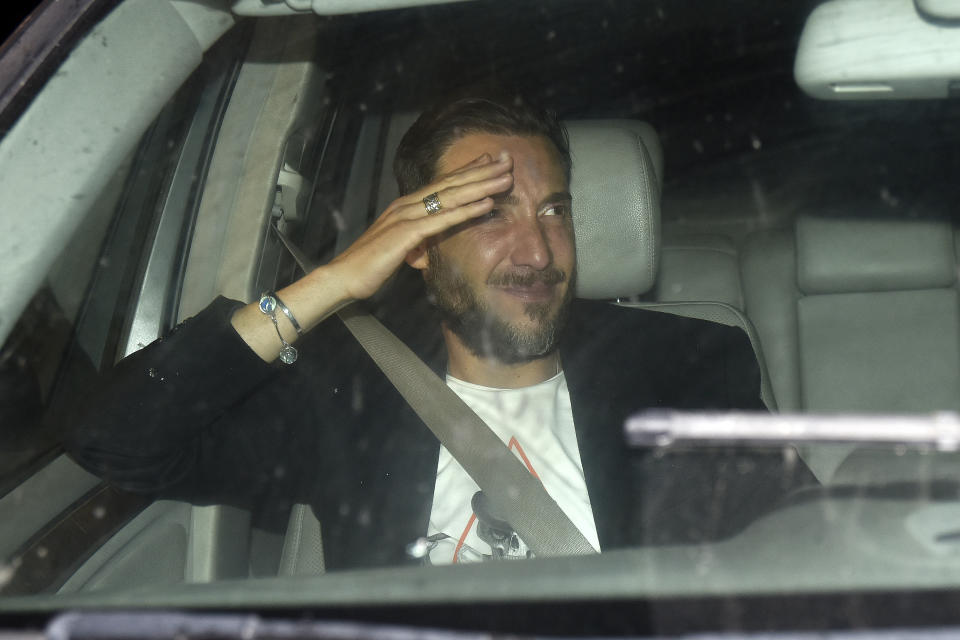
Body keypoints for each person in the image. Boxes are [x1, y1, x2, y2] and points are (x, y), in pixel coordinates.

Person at [67, 94, 815, 569]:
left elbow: (795, 551)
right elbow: (115, 440)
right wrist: (330, 283)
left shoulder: (684, 362)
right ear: (416, 248)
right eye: (488, 215)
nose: (536, 252)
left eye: (553, 211)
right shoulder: (346, 392)